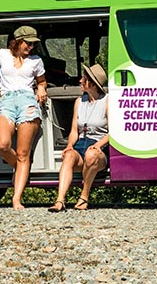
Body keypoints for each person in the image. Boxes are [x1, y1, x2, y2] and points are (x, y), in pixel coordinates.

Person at [0, 26, 47, 210]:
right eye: (27, 43)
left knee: (24, 153)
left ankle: (16, 198)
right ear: (17, 41)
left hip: (27, 101)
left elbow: (41, 81)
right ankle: (22, 168)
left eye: (33, 44)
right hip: (6, 100)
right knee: (3, 144)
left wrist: (41, 89)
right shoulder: (1, 54)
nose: (30, 47)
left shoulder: (36, 61)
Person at [48, 63, 108, 212]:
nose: (80, 81)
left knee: (91, 154)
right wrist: (69, 145)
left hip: (99, 147)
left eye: (84, 79)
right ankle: (60, 200)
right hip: (81, 144)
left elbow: (113, 132)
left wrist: (98, 145)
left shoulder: (107, 102)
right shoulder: (79, 101)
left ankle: (84, 196)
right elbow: (74, 130)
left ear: (92, 84)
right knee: (68, 156)